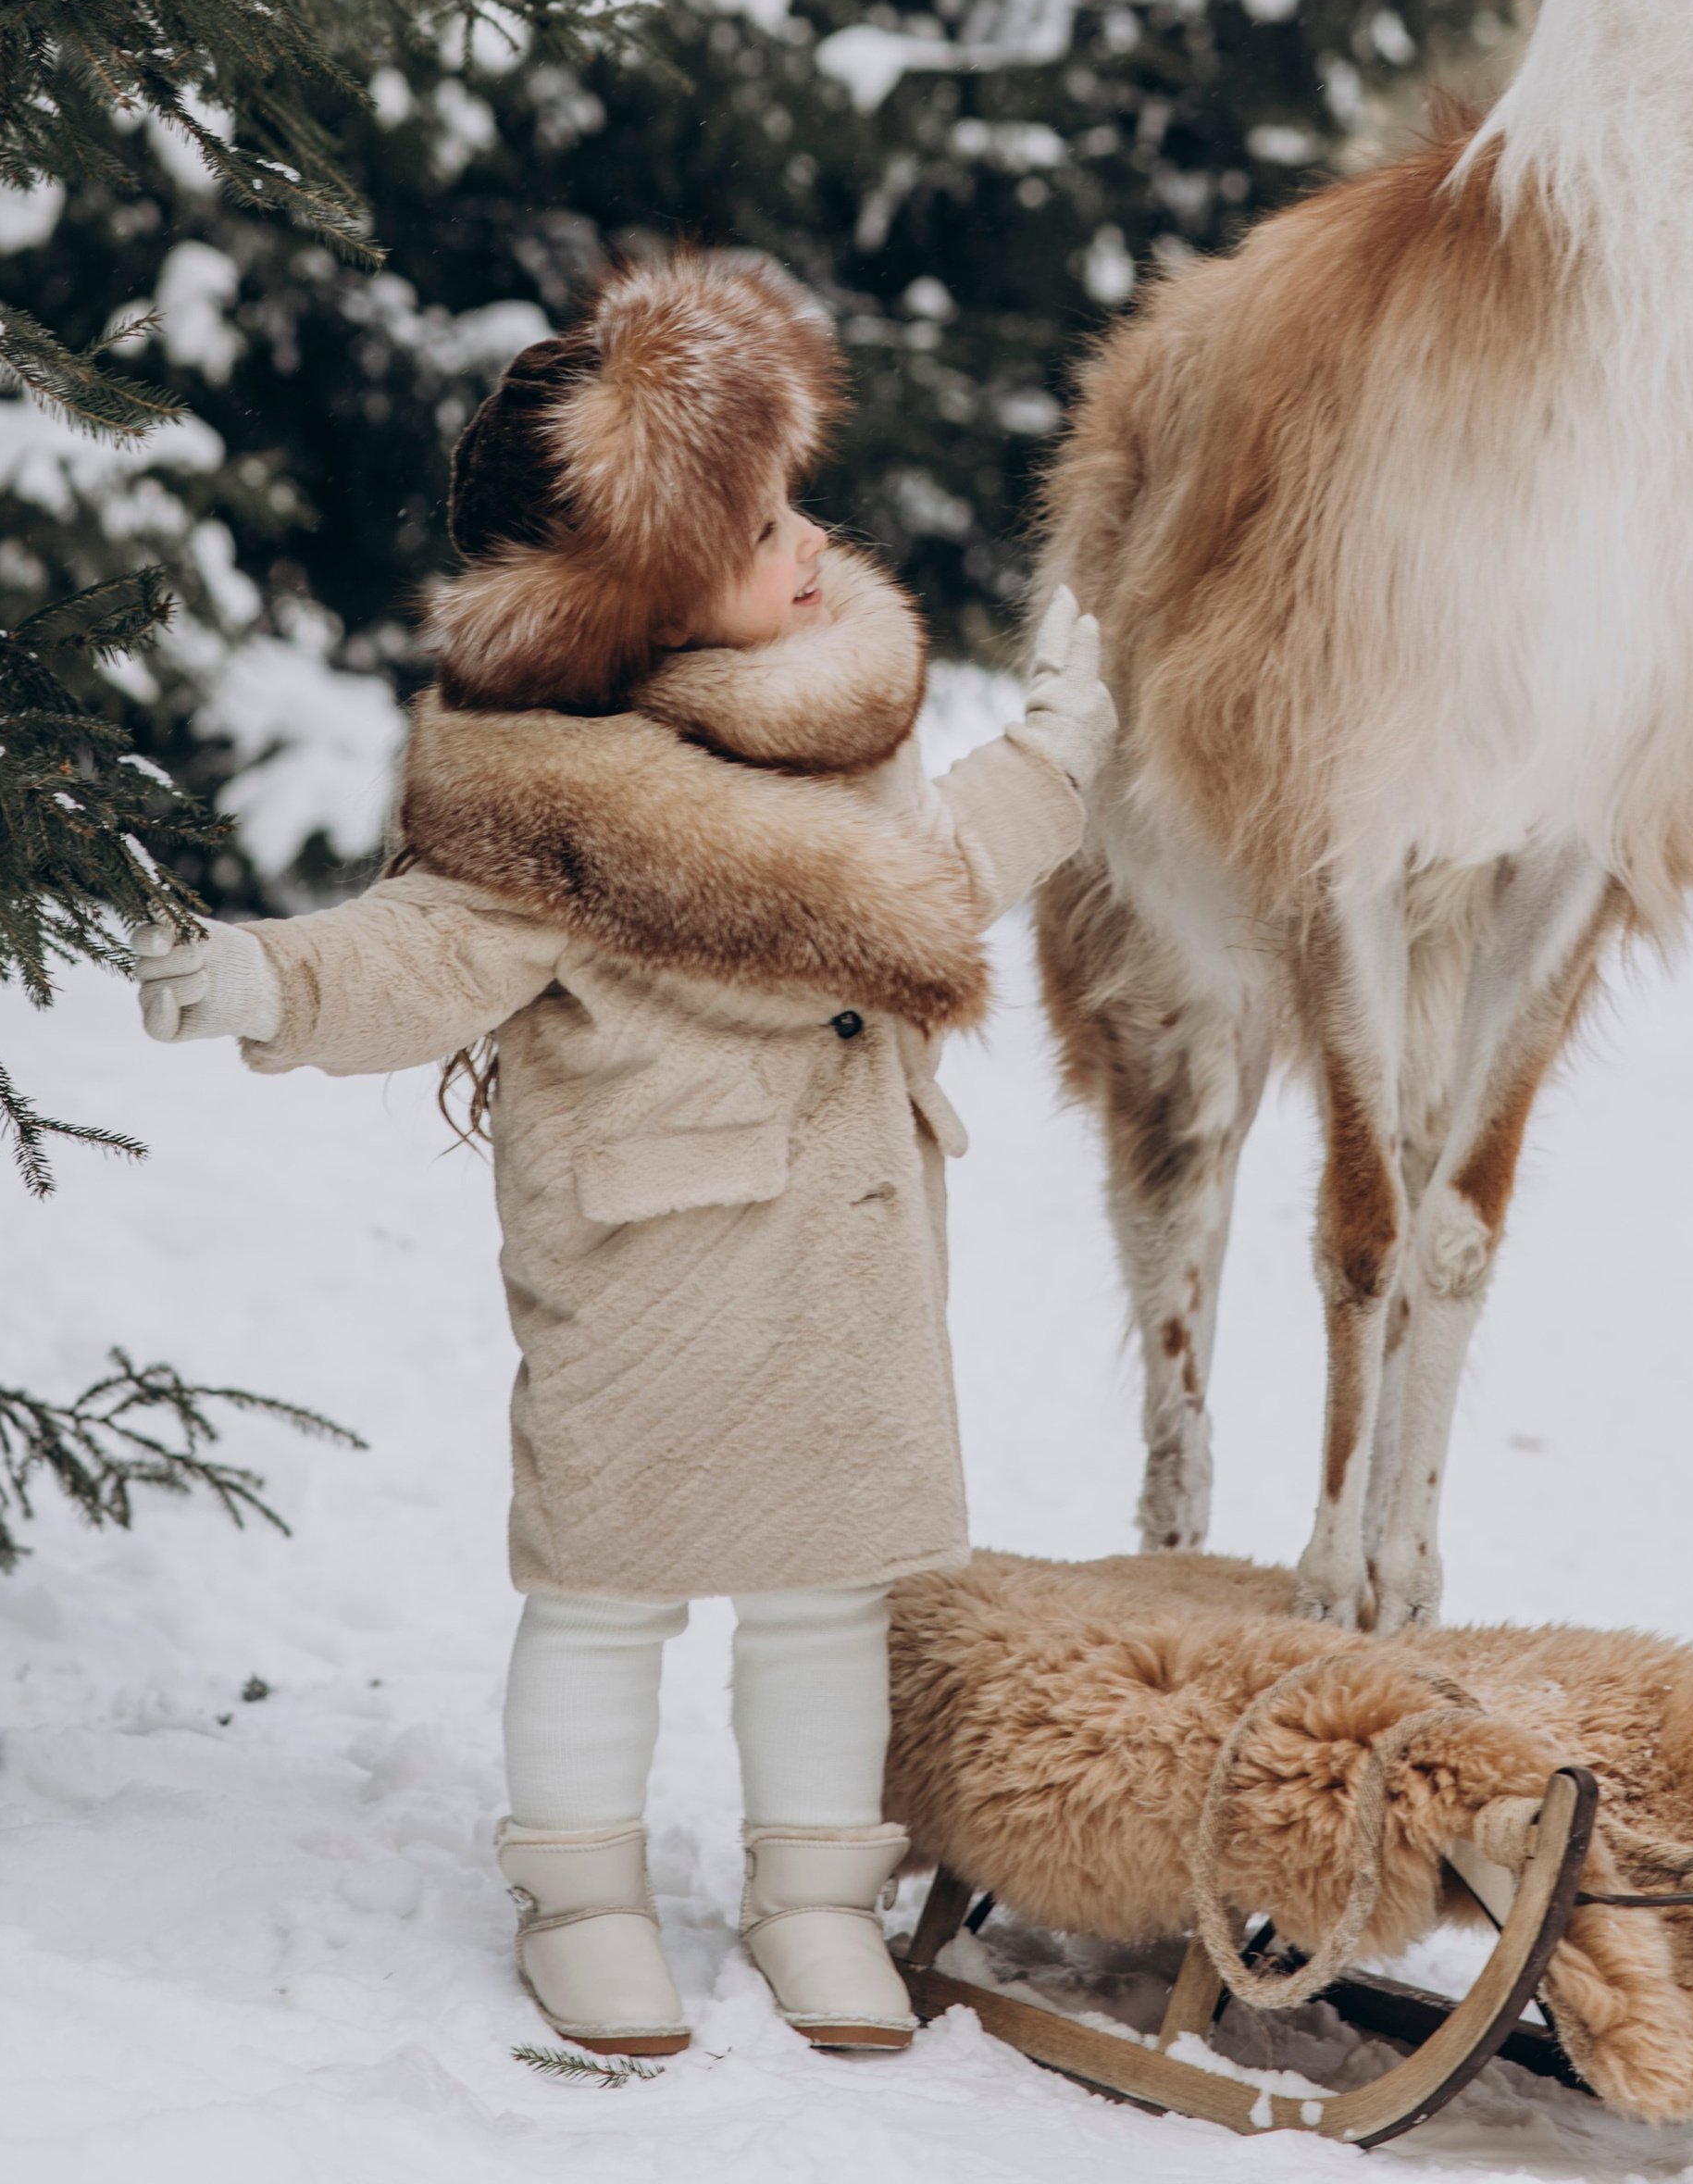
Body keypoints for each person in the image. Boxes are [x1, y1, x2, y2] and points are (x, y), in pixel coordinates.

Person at [131, 249, 1113, 2062]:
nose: (808, 546)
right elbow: (417, 949)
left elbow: (939, 863)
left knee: (824, 1592)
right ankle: (578, 1886)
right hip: (651, 1267)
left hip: (845, 1256)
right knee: (604, 1597)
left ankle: (815, 1890)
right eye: (756, 533)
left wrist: (1058, 746)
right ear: (637, 609)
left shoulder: (837, 717)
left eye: (796, 500)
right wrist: (264, 977)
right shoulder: (555, 810)